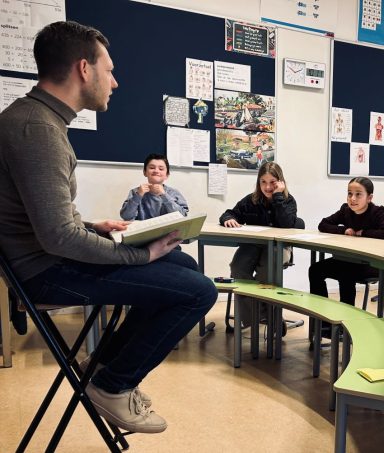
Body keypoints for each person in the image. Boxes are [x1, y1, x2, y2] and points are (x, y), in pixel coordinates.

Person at [0, 21, 217, 434]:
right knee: (199, 291)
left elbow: (41, 217)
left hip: (43, 260)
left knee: (184, 265)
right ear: (85, 69)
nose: (114, 82)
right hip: (46, 274)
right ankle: (113, 385)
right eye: (110, 70)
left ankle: (100, 367)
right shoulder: (38, 130)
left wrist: (91, 225)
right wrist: (140, 253)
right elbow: (58, 238)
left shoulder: (36, 120)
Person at [309, 177, 384, 335]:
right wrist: (344, 230)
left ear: (369, 198)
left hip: (370, 265)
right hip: (346, 261)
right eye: (349, 194)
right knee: (315, 270)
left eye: (358, 194)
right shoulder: (345, 210)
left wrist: (363, 233)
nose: (352, 199)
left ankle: (345, 323)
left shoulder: (376, 212)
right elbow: (323, 224)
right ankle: (323, 322)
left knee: (346, 274)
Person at [219, 162, 297, 327]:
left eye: (272, 182)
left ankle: (265, 316)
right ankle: (258, 317)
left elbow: (287, 224)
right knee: (238, 268)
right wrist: (229, 219)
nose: (268, 187)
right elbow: (229, 213)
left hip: (279, 247)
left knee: (266, 273)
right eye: (263, 182)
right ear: (258, 182)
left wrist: (278, 196)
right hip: (254, 245)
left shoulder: (288, 201)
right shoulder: (251, 200)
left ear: (280, 182)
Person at [120, 153, 189, 221]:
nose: (156, 171)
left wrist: (164, 195)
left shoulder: (173, 193)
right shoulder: (135, 192)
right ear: (145, 172)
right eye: (152, 168)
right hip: (144, 231)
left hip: (168, 231)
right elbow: (126, 216)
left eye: (161, 169)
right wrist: (138, 196)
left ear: (167, 175)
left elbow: (183, 215)